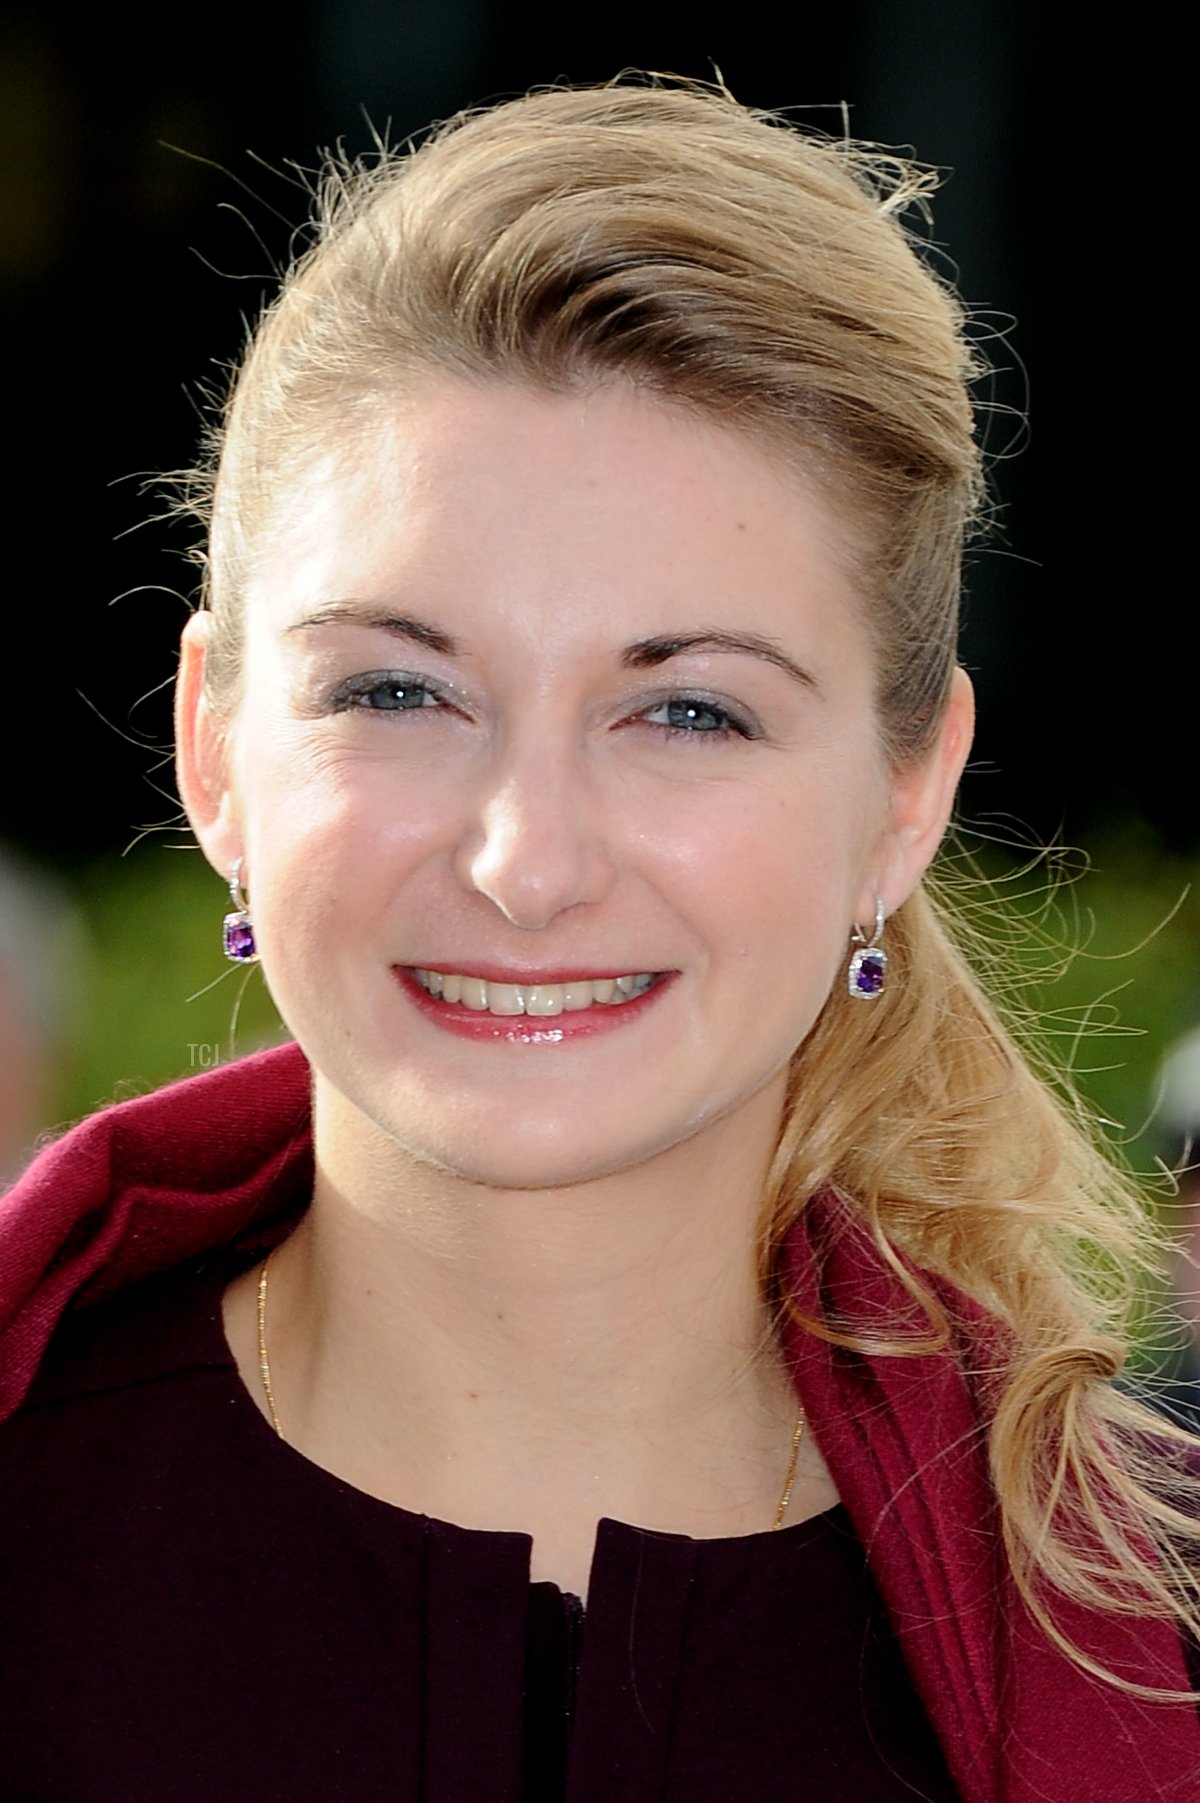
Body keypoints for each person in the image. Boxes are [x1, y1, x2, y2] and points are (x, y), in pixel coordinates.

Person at [0, 77, 1197, 1802]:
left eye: (690, 710)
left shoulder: (1155, 1624)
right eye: (399, 691)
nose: (528, 863)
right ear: (211, 748)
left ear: (907, 794)